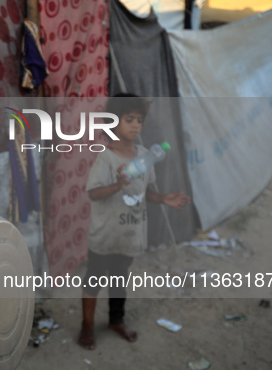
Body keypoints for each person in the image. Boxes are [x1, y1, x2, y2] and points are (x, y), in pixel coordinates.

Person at [78, 93, 190, 350]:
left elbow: (145, 191)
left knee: (119, 278)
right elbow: (93, 193)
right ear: (112, 122)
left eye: (139, 120)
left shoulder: (144, 156)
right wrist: (117, 185)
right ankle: (87, 326)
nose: (135, 125)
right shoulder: (106, 157)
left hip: (130, 233)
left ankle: (116, 320)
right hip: (105, 235)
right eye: (129, 119)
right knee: (94, 279)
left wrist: (164, 199)